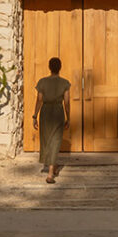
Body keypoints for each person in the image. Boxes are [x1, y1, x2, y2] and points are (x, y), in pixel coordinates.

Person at [34, 56, 71, 184]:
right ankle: (51, 171)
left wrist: (34, 116)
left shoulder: (42, 82)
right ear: (60, 68)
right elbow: (66, 102)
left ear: (49, 68)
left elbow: (39, 100)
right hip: (58, 112)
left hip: (45, 112)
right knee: (55, 140)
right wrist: (68, 118)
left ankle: (50, 169)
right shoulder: (65, 83)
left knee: (46, 140)